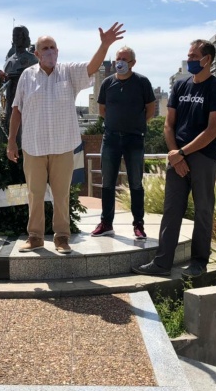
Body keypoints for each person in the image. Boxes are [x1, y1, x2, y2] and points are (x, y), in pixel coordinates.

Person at [7, 22, 126, 254]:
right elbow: (16, 110)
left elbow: (91, 67)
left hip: (63, 146)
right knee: (34, 194)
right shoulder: (27, 76)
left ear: (58, 51)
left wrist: (104, 45)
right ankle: (35, 237)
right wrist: (12, 141)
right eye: (45, 48)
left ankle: (61, 237)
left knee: (61, 195)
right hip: (33, 146)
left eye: (53, 47)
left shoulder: (68, 72)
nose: (50, 52)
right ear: (36, 53)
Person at [132, 39, 216, 278]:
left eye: (194, 56)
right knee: (171, 210)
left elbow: (212, 130)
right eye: (189, 55)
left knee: (203, 210)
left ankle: (198, 263)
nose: (190, 60)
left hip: (203, 157)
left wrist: (183, 153)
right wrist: (176, 155)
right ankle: (162, 263)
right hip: (178, 157)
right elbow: (168, 124)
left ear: (208, 59)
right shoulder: (180, 86)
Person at [91, 46, 156, 240]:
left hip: (134, 138)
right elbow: (102, 109)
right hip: (110, 139)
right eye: (117, 59)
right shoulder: (107, 83)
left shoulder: (142, 82)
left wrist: (136, 124)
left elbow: (150, 109)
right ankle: (106, 223)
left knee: (136, 183)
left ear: (132, 63)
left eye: (124, 59)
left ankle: (138, 225)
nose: (119, 62)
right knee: (107, 183)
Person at [3, 26, 38, 132]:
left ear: (25, 37)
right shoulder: (9, 60)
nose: (16, 38)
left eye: (19, 35)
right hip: (10, 98)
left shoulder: (32, 59)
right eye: (14, 35)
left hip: (27, 100)